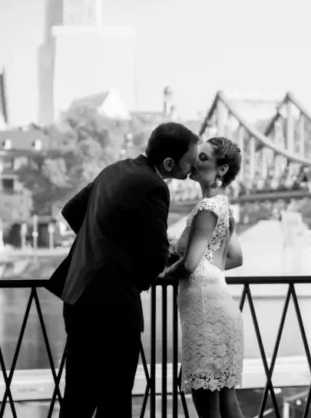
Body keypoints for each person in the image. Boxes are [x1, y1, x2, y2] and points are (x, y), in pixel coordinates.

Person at [46, 122, 199, 417]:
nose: (192, 168)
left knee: (77, 396)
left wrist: (102, 243)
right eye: (190, 162)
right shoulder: (155, 187)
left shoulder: (115, 169)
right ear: (169, 163)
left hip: (77, 297)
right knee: (114, 398)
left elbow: (72, 210)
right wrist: (127, 271)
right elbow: (155, 256)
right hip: (112, 306)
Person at [162, 136, 245, 418]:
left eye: (204, 158)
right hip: (221, 311)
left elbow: (188, 266)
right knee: (226, 402)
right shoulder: (223, 207)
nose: (196, 161)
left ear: (221, 169)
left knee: (208, 409)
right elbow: (234, 258)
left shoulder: (208, 209)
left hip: (206, 316)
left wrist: (163, 273)